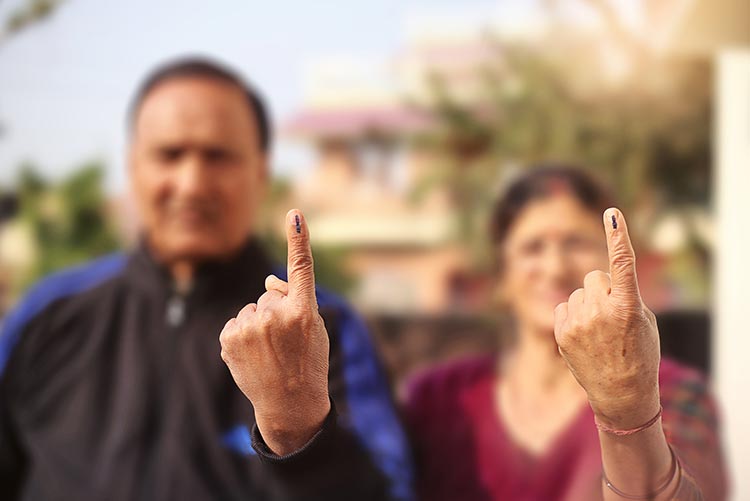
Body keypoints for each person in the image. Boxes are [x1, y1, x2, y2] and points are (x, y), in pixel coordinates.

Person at [0, 58, 412, 501]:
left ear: (260, 172)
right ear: (133, 166)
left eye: (218, 156)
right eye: (169, 155)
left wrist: (298, 428)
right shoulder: (49, 313)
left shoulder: (320, 328)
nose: (192, 183)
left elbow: (391, 491)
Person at [405, 167, 727, 500]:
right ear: (501, 273)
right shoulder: (438, 397)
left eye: (576, 243)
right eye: (532, 248)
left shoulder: (673, 393)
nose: (555, 268)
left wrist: (628, 410)